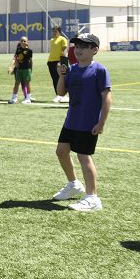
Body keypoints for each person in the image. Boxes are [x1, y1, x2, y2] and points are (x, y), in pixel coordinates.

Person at [51, 32, 111, 212]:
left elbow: (107, 97)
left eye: (84, 47)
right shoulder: (73, 69)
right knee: (61, 152)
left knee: (83, 157)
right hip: (71, 120)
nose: (79, 50)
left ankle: (93, 198)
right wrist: (61, 75)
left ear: (95, 50)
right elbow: (61, 93)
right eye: (77, 46)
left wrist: (101, 123)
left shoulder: (99, 70)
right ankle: (74, 184)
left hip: (88, 122)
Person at [8, 36, 34, 104]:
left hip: (26, 69)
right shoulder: (18, 50)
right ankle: (14, 98)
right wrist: (15, 64)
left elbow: (30, 61)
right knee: (17, 83)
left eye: (24, 41)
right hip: (19, 69)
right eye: (21, 41)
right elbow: (16, 57)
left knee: (27, 83)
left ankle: (28, 98)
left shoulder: (29, 51)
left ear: (27, 42)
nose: (23, 42)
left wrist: (30, 69)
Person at [47, 26, 69, 103]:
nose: (54, 32)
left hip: (58, 61)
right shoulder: (52, 40)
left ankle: (64, 95)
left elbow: (64, 51)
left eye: (55, 31)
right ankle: (58, 95)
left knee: (61, 78)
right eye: (53, 31)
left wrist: (63, 62)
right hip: (50, 61)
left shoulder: (62, 39)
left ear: (59, 32)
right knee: (54, 79)